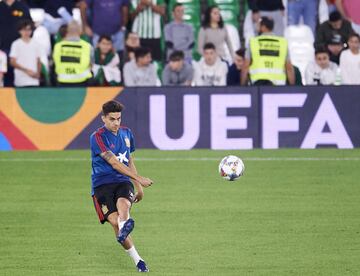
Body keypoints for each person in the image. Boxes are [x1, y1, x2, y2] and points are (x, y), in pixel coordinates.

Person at [90, 100, 153, 273]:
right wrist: (140, 178)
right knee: (115, 222)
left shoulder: (127, 133)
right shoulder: (97, 137)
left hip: (122, 181)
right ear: (103, 118)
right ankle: (138, 259)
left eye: (118, 118)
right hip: (102, 184)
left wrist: (138, 186)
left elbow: (128, 160)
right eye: (112, 119)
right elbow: (115, 163)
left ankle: (125, 223)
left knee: (124, 205)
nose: (116, 123)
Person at [241, 16, 295, 85]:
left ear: (263, 27)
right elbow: (289, 68)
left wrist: (242, 86)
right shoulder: (282, 42)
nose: (257, 28)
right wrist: (293, 88)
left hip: (258, 85)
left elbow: (245, 66)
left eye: (259, 25)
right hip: (278, 85)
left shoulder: (253, 42)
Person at [0, 0, 32, 87]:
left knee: (20, 75)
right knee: (4, 76)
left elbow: (29, 25)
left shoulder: (22, 6)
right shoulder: (1, 6)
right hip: (2, 49)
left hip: (20, 48)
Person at [53, 21, 93, 86]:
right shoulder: (87, 46)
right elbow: (91, 65)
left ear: (68, 30)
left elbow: (55, 61)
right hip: (82, 81)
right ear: (80, 31)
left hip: (63, 80)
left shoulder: (57, 46)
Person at [10, 19, 41, 87]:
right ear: (19, 31)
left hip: (34, 81)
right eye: (24, 30)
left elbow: (38, 61)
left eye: (28, 29)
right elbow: (12, 62)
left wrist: (38, 74)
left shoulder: (36, 44)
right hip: (20, 81)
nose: (26, 32)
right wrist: (27, 71)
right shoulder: (16, 44)